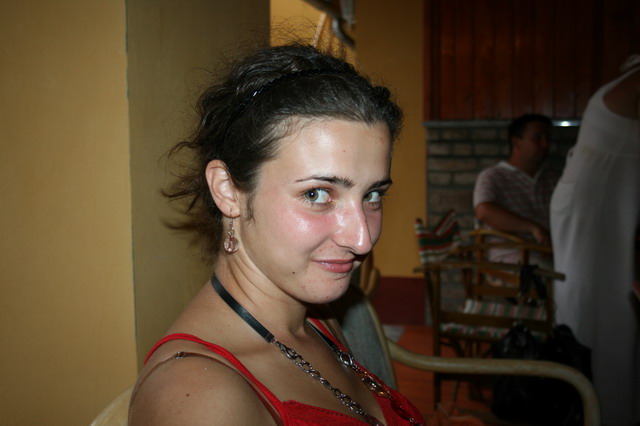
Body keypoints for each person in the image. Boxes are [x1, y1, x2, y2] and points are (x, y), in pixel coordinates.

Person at [127, 43, 425, 425]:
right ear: (227, 191)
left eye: (372, 195)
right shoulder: (200, 398)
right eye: (317, 194)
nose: (361, 240)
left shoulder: (316, 318)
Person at [550, 54, 640, 426]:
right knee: (604, 308)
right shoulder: (624, 91)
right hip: (592, 208)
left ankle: (598, 402)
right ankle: (598, 406)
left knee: (607, 306)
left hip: (598, 203)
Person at [473, 114, 559, 265]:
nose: (545, 144)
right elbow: (484, 211)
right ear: (516, 143)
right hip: (511, 256)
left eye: (547, 138)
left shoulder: (553, 178)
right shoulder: (493, 175)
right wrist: (533, 228)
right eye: (537, 138)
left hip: (553, 253)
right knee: (540, 269)